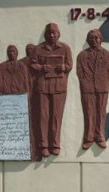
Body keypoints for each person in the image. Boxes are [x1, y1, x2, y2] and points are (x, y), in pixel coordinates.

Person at [31, 23, 73, 157]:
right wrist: (41, 68)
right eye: (49, 33)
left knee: (56, 117)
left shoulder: (65, 48)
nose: (51, 35)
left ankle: (55, 144)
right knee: (43, 117)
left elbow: (70, 64)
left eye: (54, 33)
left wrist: (64, 68)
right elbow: (32, 63)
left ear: (58, 34)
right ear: (46, 35)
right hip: (43, 87)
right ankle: (43, 145)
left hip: (59, 86)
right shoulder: (38, 49)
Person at [76, 29, 109, 150]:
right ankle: (89, 137)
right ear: (88, 40)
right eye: (91, 38)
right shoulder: (82, 55)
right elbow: (80, 72)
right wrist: (86, 83)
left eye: (96, 38)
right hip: (87, 88)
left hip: (102, 87)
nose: (94, 40)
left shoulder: (107, 54)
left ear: (101, 39)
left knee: (101, 113)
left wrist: (104, 81)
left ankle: (99, 136)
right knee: (88, 112)